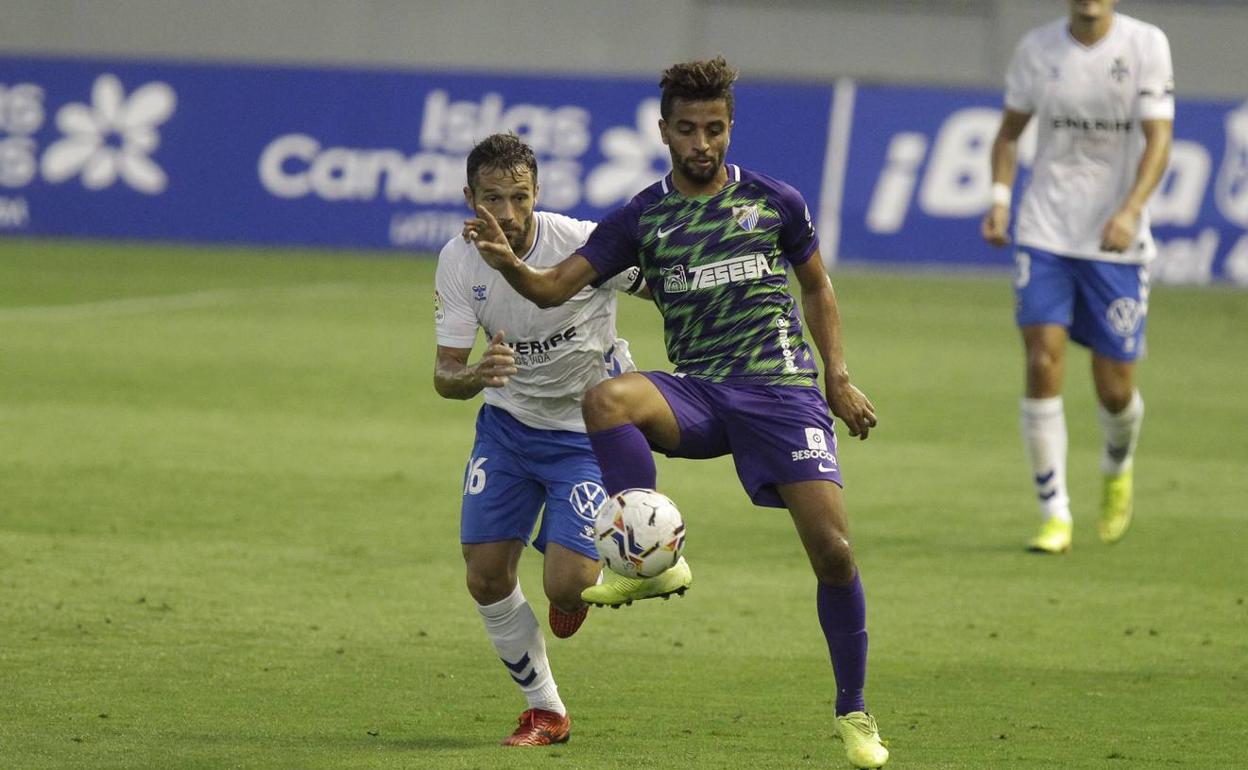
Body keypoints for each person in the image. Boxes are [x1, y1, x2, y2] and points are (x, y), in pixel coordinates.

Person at [465, 58, 889, 769]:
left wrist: (838, 379)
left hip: (782, 394)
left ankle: (854, 710)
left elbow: (817, 287)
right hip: (699, 391)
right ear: (663, 131)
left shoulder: (774, 202)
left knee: (836, 554)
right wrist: (509, 262)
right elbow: (550, 290)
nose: (702, 143)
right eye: (687, 129)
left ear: (730, 128)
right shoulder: (641, 217)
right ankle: (643, 554)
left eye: (715, 128)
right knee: (607, 397)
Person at [433, 133, 687, 747]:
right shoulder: (458, 262)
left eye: (520, 197)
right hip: (509, 429)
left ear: (537, 192)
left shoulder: (580, 243)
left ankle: (574, 558)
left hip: (586, 432)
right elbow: (445, 374)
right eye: (494, 200)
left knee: (566, 588)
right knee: (486, 577)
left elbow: (664, 290)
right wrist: (476, 374)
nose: (510, 214)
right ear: (470, 199)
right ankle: (545, 710)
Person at [981, 0, 1174, 553]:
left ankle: (1118, 461)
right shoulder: (1037, 50)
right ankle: (1054, 513)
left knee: (1115, 391)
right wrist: (1000, 199)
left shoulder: (1145, 45)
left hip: (1116, 241)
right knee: (1043, 358)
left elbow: (1159, 142)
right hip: (1045, 232)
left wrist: (1132, 211)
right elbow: (1008, 135)